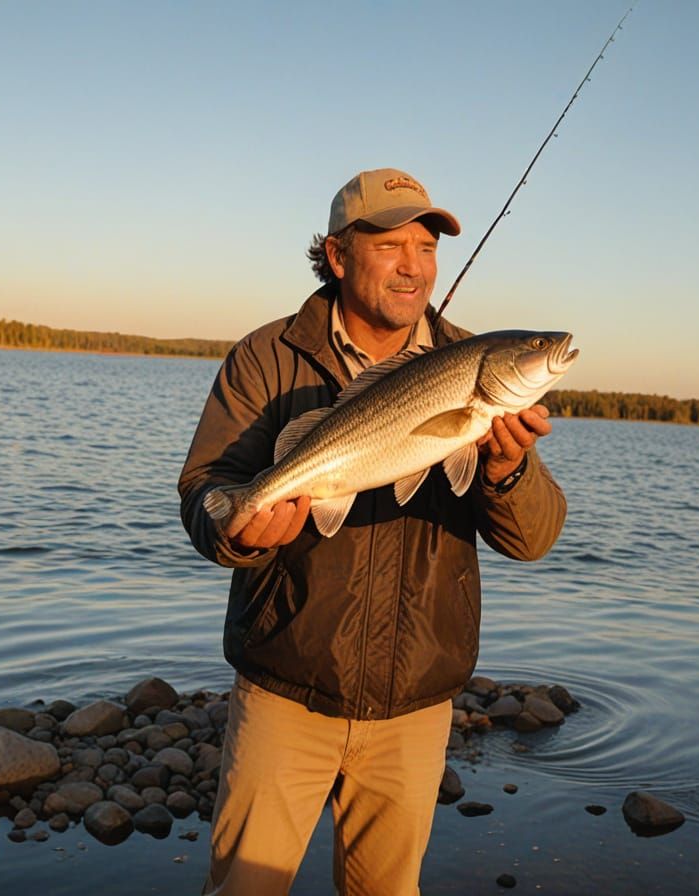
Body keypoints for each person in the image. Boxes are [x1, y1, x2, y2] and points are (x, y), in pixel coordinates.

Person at [178, 167, 568, 896]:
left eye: (427, 247)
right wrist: (239, 533)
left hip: (413, 705)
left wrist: (507, 470)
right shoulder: (268, 357)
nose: (414, 265)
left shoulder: (472, 367)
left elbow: (535, 539)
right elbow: (205, 490)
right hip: (284, 688)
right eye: (391, 245)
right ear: (336, 254)